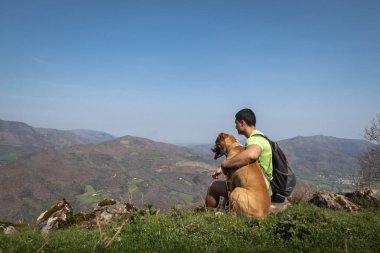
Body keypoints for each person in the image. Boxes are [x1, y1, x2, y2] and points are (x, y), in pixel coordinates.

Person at [205, 108, 273, 208]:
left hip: (255, 192)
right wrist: (223, 168)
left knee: (213, 187)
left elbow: (251, 155)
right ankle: (225, 211)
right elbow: (249, 163)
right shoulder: (261, 137)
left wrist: (226, 164)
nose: (235, 126)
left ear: (242, 123)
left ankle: (208, 214)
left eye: (236, 123)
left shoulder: (254, 140)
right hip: (260, 188)